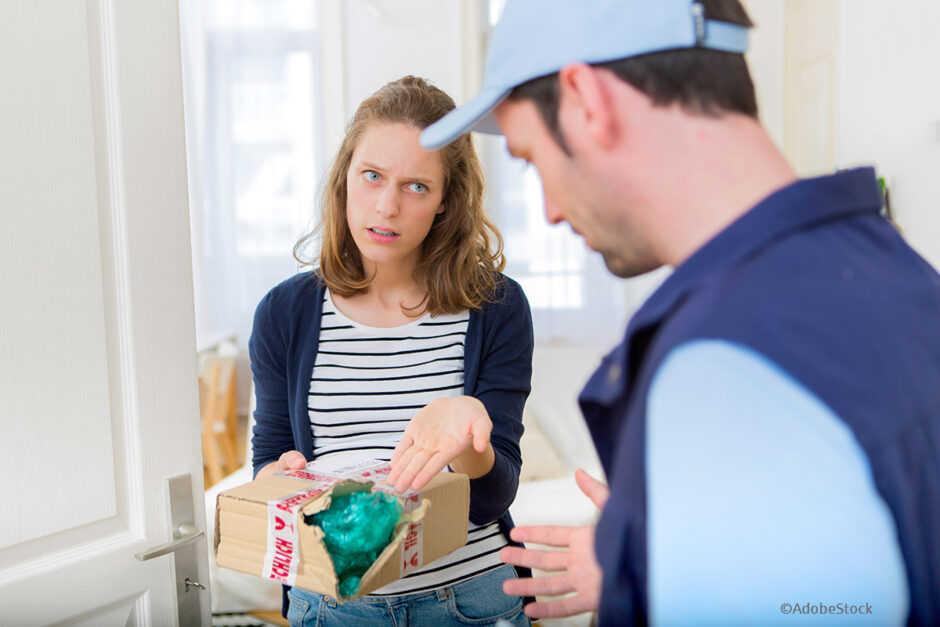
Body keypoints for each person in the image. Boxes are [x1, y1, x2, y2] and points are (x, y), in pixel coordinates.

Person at [421, 1, 940, 625]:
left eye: (534, 160)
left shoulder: (718, 359)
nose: (552, 210)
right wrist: (654, 553)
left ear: (587, 98)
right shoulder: (895, 271)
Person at [249, 75, 533, 626]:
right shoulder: (284, 313)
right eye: (372, 176)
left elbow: (492, 500)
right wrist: (277, 479)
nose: (386, 206)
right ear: (344, 178)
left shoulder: (495, 306)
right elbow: (271, 456)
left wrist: (470, 429)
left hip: (471, 600)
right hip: (333, 605)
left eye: (416, 187)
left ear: (446, 202)